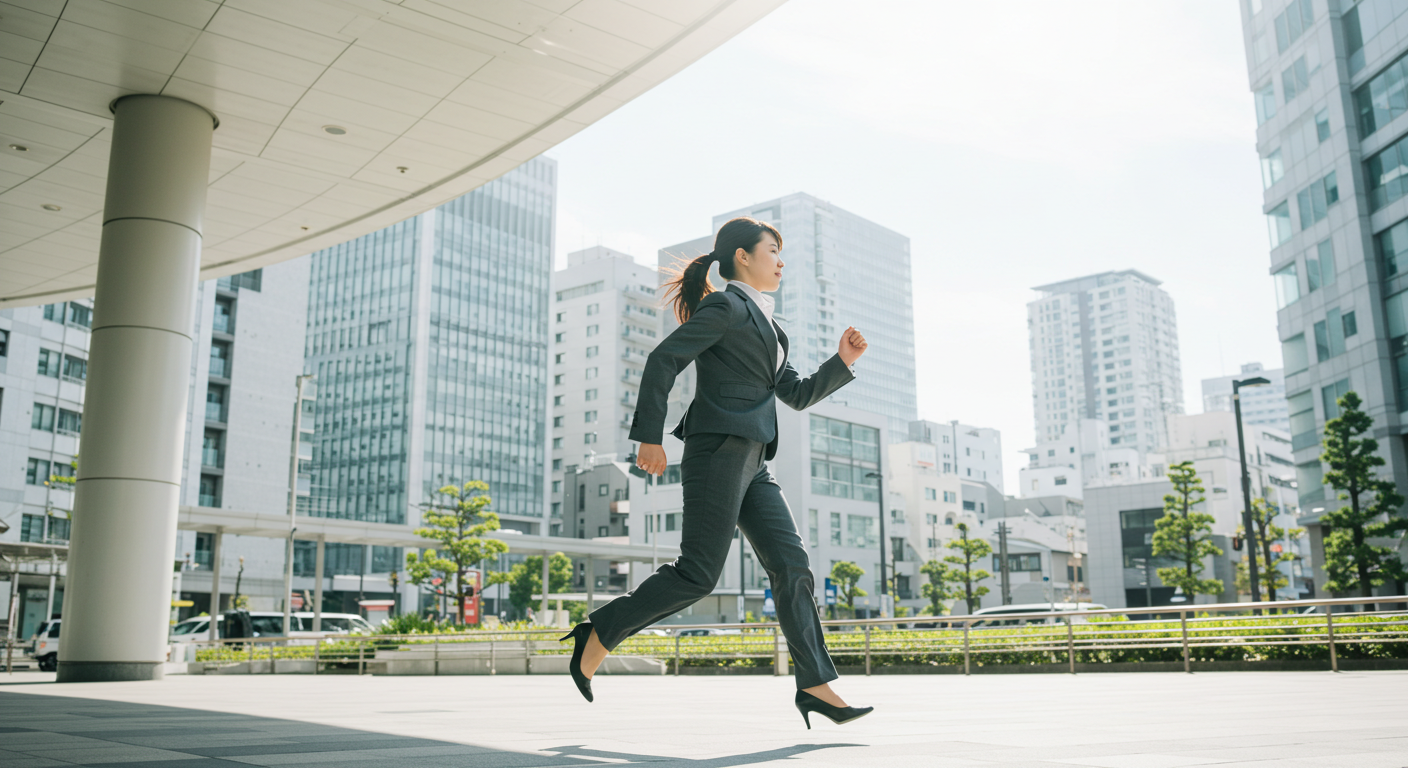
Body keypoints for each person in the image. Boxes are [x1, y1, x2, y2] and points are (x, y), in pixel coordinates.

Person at [559, 216, 874, 729]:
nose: (781, 259)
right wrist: (650, 437)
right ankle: (599, 632)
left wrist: (841, 361)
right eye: (773, 249)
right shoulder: (725, 305)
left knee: (793, 565)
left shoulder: (772, 326)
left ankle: (815, 683)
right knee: (699, 574)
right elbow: (664, 360)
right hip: (718, 450)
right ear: (743, 257)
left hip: (754, 460)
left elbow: (794, 395)